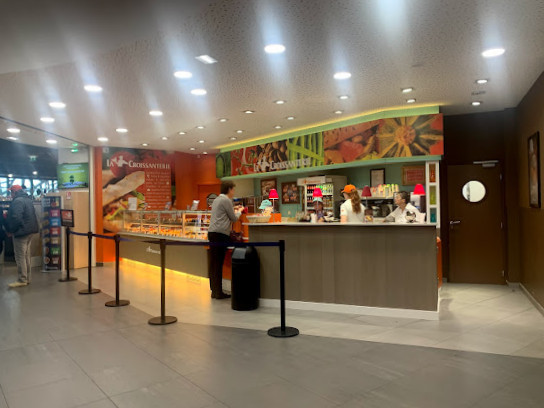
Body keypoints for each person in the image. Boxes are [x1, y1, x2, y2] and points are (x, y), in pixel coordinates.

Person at [207, 181, 243, 299]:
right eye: (233, 189)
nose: (234, 192)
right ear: (229, 189)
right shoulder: (226, 200)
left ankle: (214, 290)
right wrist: (240, 211)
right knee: (218, 263)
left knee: (213, 263)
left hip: (212, 233)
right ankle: (218, 292)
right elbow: (233, 218)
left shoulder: (217, 199)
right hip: (220, 234)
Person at [6, 185, 39, 287]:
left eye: (11, 192)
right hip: (30, 231)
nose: (10, 194)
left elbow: (16, 218)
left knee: (20, 256)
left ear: (15, 192)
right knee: (26, 256)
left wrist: (11, 230)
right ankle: (27, 278)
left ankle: (22, 279)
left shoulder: (17, 201)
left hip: (21, 232)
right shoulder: (28, 200)